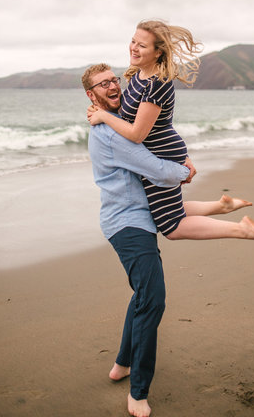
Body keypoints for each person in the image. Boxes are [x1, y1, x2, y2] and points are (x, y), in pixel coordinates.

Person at [87, 21, 254, 244]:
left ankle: (241, 229)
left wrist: (104, 117)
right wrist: (99, 109)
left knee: (171, 225)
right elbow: (128, 115)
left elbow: (137, 134)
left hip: (162, 152)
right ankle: (222, 206)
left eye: (142, 45)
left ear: (157, 52)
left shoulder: (157, 83)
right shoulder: (136, 75)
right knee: (170, 210)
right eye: (133, 41)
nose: (134, 48)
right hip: (161, 149)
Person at [82, 63, 191, 417]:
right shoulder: (111, 134)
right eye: (103, 84)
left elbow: (145, 125)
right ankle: (138, 392)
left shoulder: (116, 120)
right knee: (154, 299)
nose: (113, 85)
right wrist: (184, 171)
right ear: (91, 95)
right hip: (127, 224)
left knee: (143, 295)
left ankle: (122, 364)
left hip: (135, 220)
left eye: (114, 79)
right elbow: (156, 169)